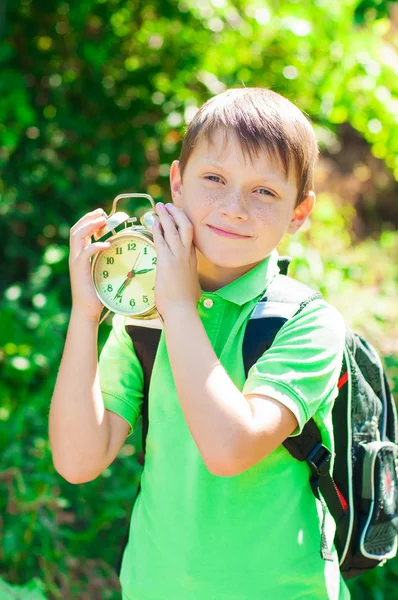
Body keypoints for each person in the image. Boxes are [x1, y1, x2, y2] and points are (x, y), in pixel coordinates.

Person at [49, 87, 351, 599]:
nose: (233, 208)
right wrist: (87, 313)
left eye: (265, 192)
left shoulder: (308, 322)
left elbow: (229, 448)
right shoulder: (144, 319)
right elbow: (78, 461)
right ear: (177, 184)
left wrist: (181, 307)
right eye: (214, 179)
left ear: (299, 213)